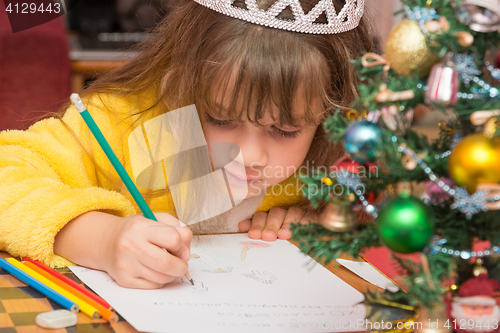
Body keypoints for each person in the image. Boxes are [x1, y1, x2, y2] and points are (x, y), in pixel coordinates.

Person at [0, 0, 373, 289]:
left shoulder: (345, 145)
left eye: (286, 130)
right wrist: (100, 238)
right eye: (221, 118)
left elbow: (384, 204)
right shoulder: (125, 123)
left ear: (332, 113)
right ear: (181, 80)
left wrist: (324, 218)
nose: (250, 156)